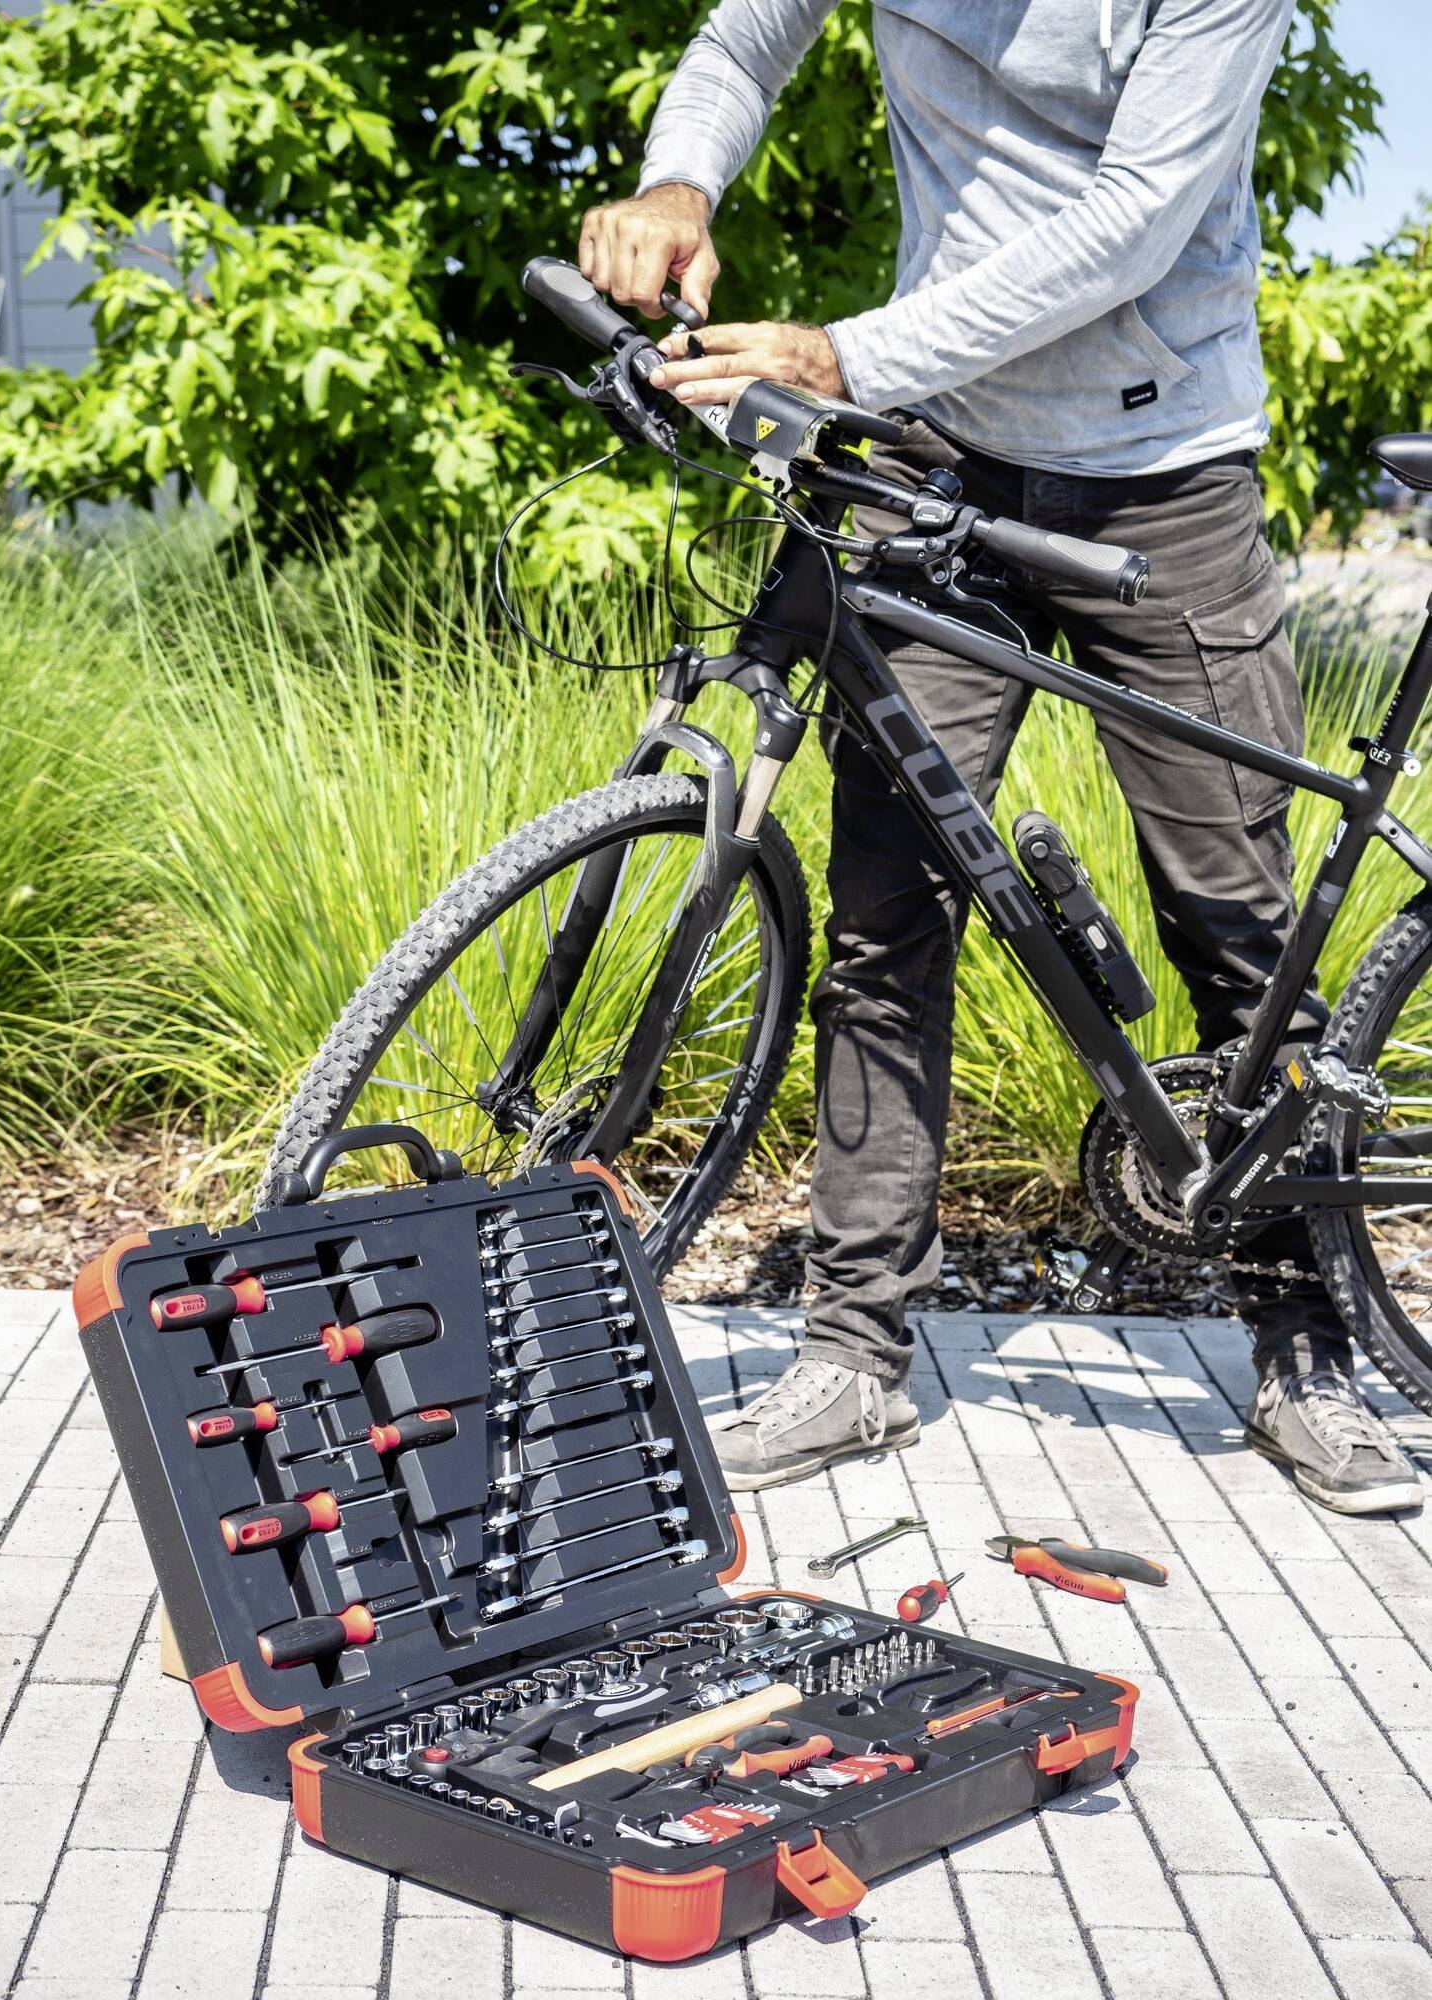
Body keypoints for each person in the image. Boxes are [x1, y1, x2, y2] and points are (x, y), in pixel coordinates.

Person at [578, 0, 1422, 1514]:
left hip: (1166, 476)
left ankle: (1307, 1348)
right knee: (885, 918)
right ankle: (851, 1352)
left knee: (1237, 924)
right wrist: (681, 180)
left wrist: (852, 352)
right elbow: (742, 40)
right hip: (936, 459)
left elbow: (1133, 224)